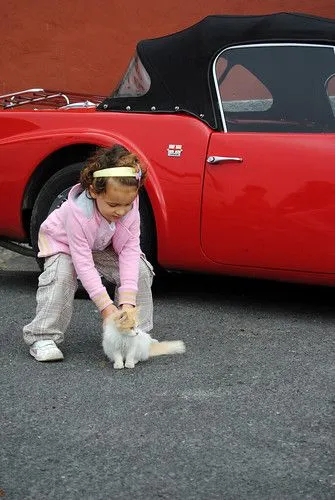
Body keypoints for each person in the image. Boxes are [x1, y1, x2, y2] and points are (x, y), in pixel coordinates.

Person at [23, 144, 154, 361]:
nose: (121, 211)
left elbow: (130, 250)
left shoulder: (129, 207)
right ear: (94, 191)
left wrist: (127, 302)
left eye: (127, 204)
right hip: (62, 245)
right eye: (113, 204)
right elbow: (82, 262)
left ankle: (137, 333)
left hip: (99, 246)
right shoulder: (78, 213)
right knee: (61, 275)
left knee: (139, 269)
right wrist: (106, 308)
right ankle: (43, 336)